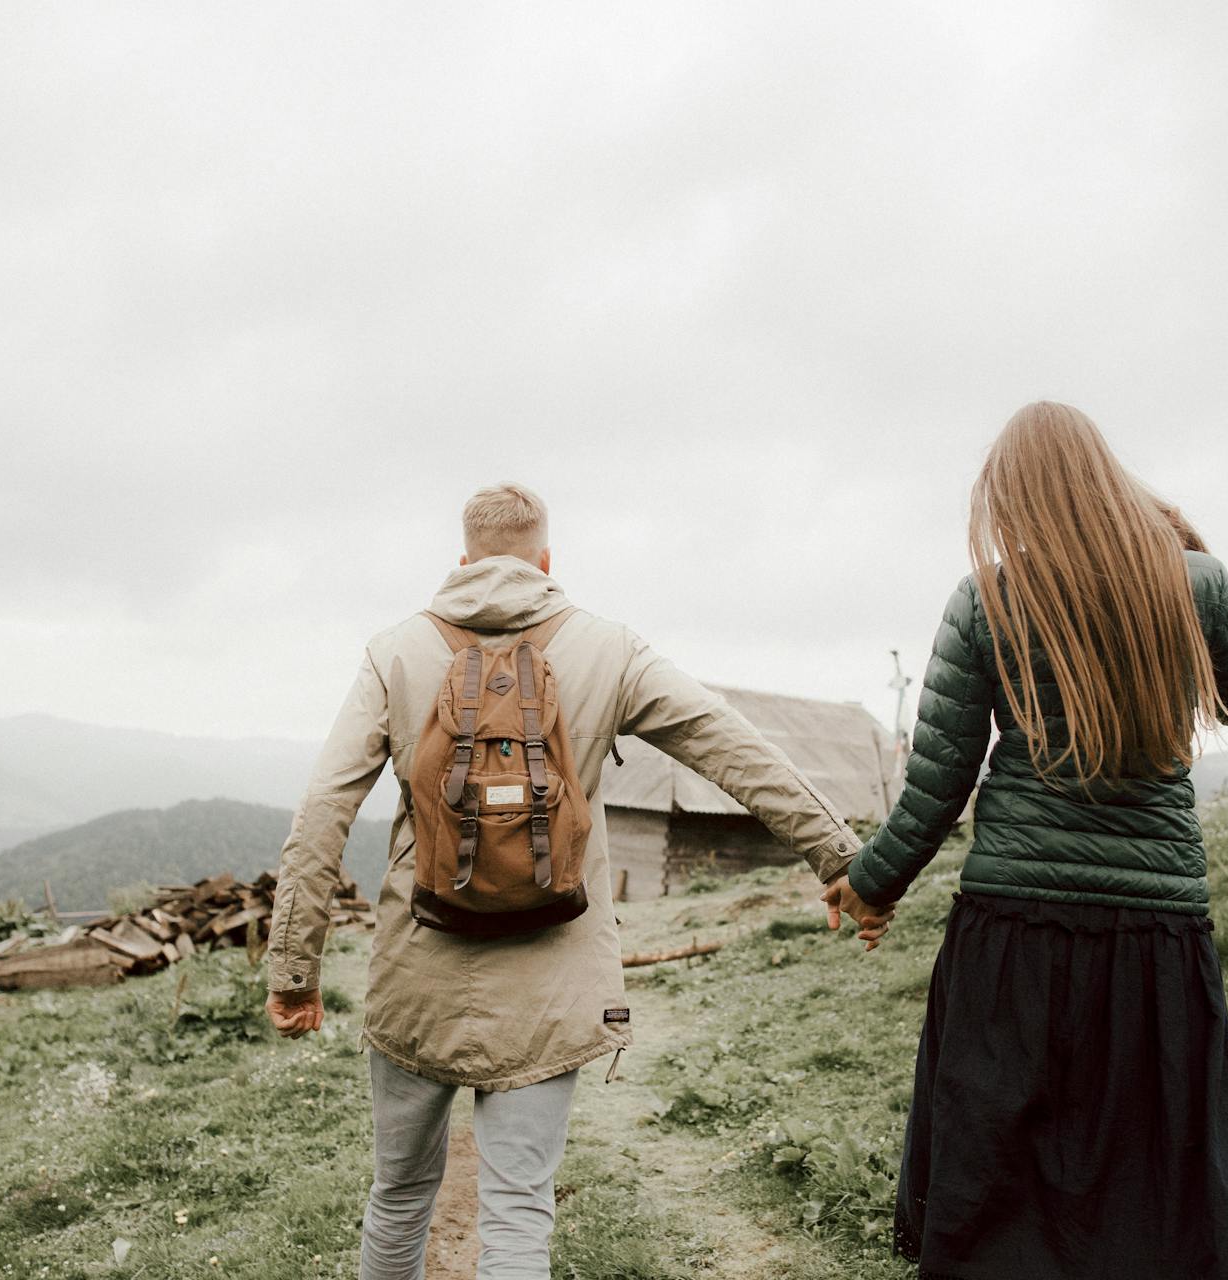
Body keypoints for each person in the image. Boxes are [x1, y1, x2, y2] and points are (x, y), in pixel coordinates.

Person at [263, 482, 893, 1280]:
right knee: (519, 1207)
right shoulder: (608, 649)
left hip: (414, 979)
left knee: (399, 1197)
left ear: (462, 562)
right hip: (552, 984)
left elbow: (324, 808)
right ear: (546, 561)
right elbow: (733, 749)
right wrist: (843, 860)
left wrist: (294, 971)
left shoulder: (395, 653)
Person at [844, 402, 1228, 1279]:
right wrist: (1186, 551)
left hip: (1014, 931)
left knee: (1001, 1172)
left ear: (1010, 499)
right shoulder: (1194, 582)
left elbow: (939, 786)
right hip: (1154, 934)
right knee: (1146, 1166)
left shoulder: (985, 599)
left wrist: (870, 884)